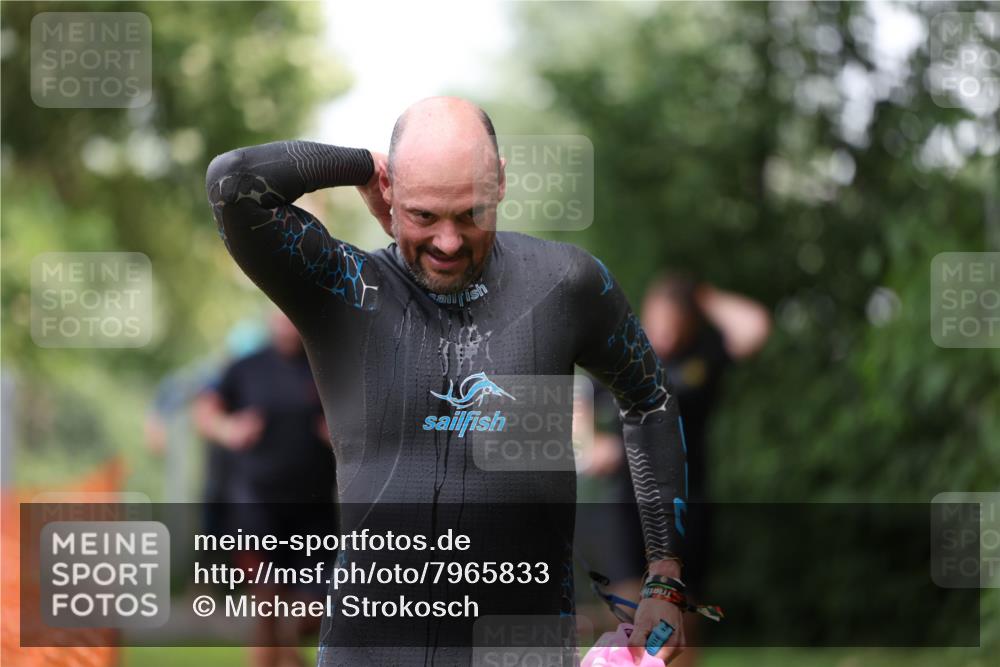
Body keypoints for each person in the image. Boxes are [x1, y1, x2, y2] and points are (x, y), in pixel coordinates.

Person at [205, 97, 688, 666]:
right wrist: (363, 164)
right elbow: (234, 182)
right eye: (424, 215)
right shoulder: (341, 291)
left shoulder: (565, 285)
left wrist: (664, 578)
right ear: (391, 194)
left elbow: (650, 400)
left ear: (502, 181)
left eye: (470, 213)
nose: (449, 242)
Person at [593, 274, 770, 664]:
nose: (665, 333)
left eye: (674, 322)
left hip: (687, 507)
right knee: (623, 603)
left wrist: (703, 295)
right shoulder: (624, 363)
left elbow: (754, 327)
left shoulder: (700, 360)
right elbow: (574, 408)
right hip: (627, 507)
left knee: (683, 612)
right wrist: (591, 444)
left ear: (690, 321)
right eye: (657, 321)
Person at [192, 310, 337, 667]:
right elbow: (205, 411)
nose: (288, 321)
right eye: (281, 315)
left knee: (313, 612)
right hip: (254, 504)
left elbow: (360, 419)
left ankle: (287, 648)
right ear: (271, 318)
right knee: (266, 602)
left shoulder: (328, 366)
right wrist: (229, 429)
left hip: (314, 510)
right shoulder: (246, 367)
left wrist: (340, 435)